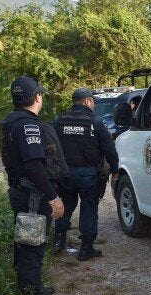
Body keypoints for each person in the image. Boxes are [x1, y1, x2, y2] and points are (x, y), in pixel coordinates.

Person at [0, 76, 66, 295]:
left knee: (26, 241)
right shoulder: (27, 124)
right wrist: (53, 197)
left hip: (22, 191)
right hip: (33, 195)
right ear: (37, 97)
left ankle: (31, 286)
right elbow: (33, 165)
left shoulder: (12, 121)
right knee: (32, 245)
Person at [53, 88, 118, 261]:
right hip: (89, 174)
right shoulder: (96, 122)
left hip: (65, 173)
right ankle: (86, 249)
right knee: (89, 207)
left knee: (65, 204)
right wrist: (115, 169)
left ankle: (58, 241)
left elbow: (50, 147)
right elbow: (109, 148)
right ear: (87, 101)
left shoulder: (59, 120)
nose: (94, 105)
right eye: (93, 102)